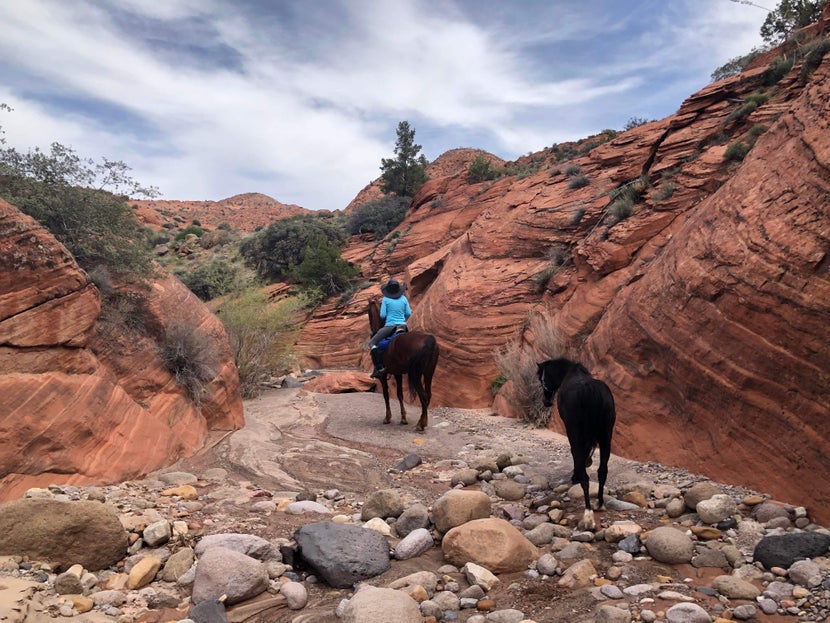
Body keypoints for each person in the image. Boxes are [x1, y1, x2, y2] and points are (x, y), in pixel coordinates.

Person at [368, 278, 411, 378]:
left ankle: (379, 368)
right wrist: (402, 320)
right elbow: (408, 313)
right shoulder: (404, 298)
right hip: (403, 326)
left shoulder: (386, 299)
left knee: (372, 343)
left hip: (390, 326)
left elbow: (382, 315)